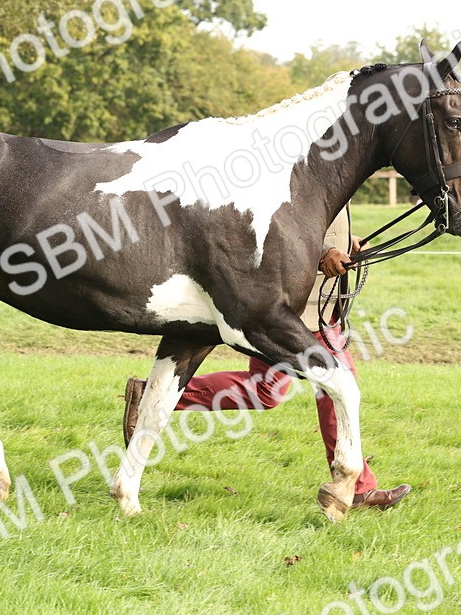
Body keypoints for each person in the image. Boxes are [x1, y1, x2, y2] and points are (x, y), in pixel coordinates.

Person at [120, 207, 412, 511]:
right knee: (334, 383)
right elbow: (284, 214)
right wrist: (325, 250)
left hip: (315, 300)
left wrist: (345, 241)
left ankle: (150, 397)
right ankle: (356, 488)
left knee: (267, 390)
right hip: (293, 300)